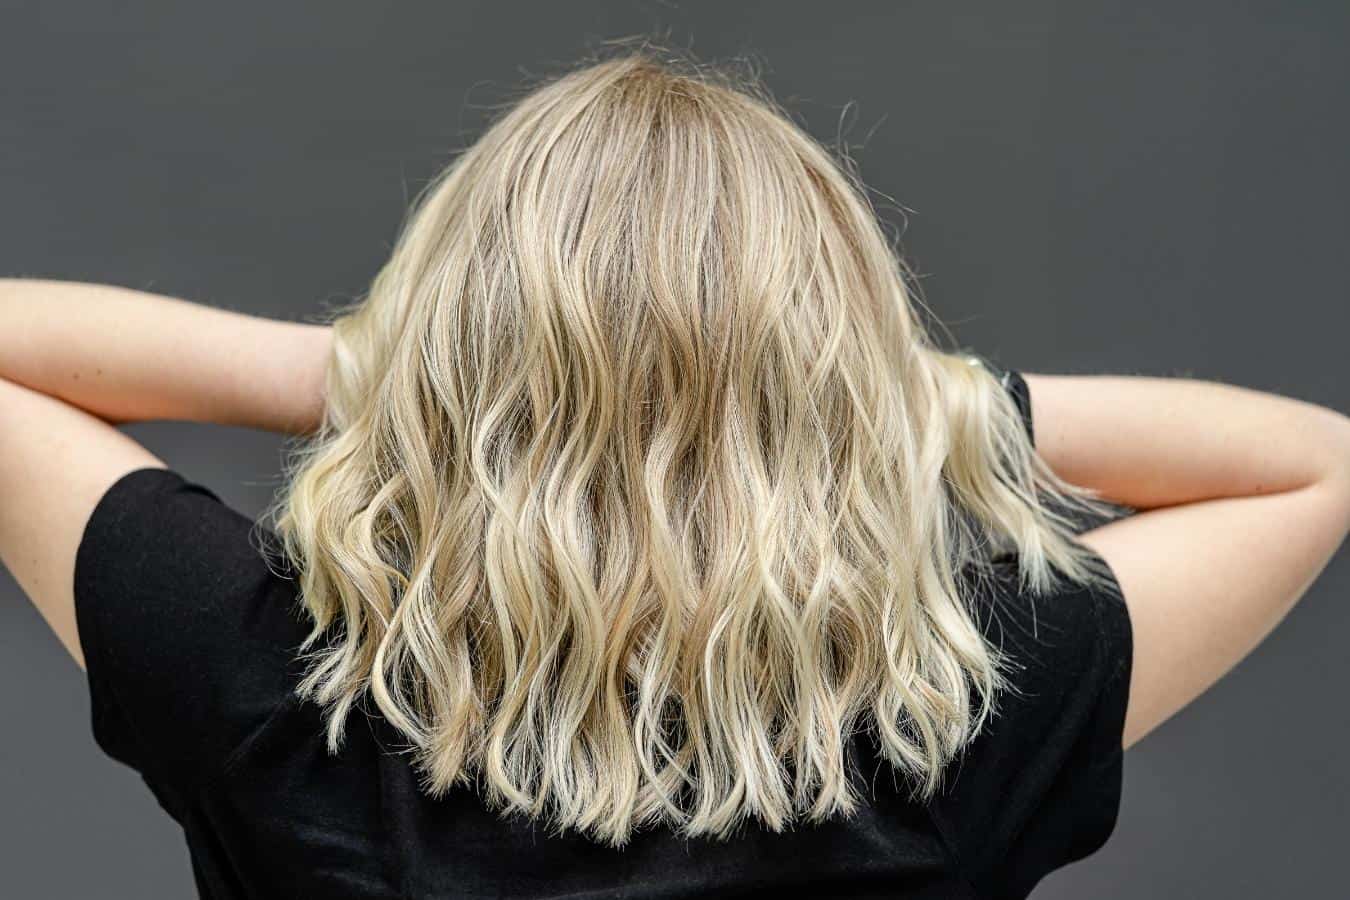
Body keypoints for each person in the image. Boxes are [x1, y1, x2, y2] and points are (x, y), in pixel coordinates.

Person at [2, 50, 1347, 900]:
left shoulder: (259, 675)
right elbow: (1307, 468)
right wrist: (884, 409)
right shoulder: (955, 722)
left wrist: (394, 377)